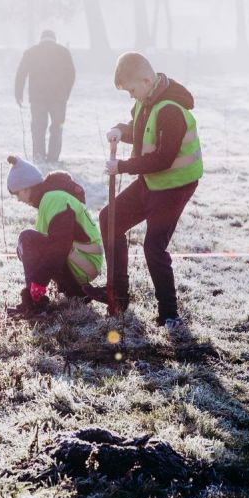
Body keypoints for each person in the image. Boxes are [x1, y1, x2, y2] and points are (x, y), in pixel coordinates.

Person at [93, 52, 203, 327]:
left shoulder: (171, 110)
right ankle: (118, 296)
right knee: (110, 219)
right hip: (152, 182)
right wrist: (121, 130)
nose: (131, 96)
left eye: (131, 90)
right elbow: (142, 131)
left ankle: (169, 314)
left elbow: (164, 158)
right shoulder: (147, 102)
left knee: (153, 247)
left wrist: (123, 166)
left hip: (174, 187)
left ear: (145, 79)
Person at [5, 155, 104, 317]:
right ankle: (76, 293)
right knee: (26, 245)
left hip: (86, 261)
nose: (18, 200)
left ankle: (35, 302)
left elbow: (60, 246)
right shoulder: (49, 200)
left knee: (27, 239)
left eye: (17, 194)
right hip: (79, 259)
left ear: (26, 188)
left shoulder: (54, 199)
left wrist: (38, 283)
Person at [14, 29, 75, 164]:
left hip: (37, 98)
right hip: (59, 99)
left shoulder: (31, 52)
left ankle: (38, 157)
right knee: (57, 128)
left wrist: (18, 93)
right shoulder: (63, 52)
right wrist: (66, 93)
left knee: (38, 128)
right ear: (54, 38)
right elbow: (71, 74)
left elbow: (21, 73)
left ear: (41, 38)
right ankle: (53, 158)